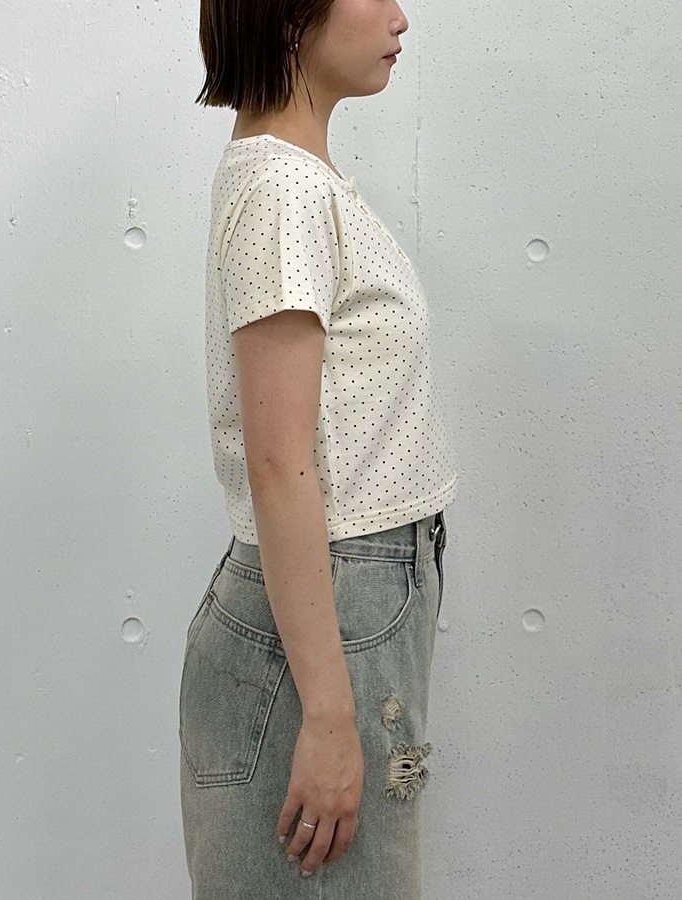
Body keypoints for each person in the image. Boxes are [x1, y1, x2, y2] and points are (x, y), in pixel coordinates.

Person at [178, 1, 458, 896]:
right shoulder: (285, 190)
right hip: (334, 609)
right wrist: (331, 716)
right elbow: (278, 463)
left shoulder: (297, 181)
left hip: (349, 600)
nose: (400, 17)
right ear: (292, 18)